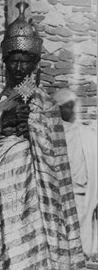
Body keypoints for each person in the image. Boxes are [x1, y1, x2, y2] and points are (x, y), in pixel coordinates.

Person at [0, 2, 88, 270]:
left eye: (25, 61)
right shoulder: (0, 99)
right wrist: (4, 125)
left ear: (35, 63)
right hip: (5, 192)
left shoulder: (43, 102)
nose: (18, 66)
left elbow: (52, 148)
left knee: (37, 256)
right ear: (5, 62)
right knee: (7, 256)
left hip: (38, 194)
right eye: (13, 60)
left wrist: (30, 127)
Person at [53, 89, 97, 260]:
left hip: (81, 192)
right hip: (59, 192)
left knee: (80, 229)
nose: (71, 110)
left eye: (73, 106)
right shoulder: (52, 133)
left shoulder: (86, 133)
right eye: (67, 106)